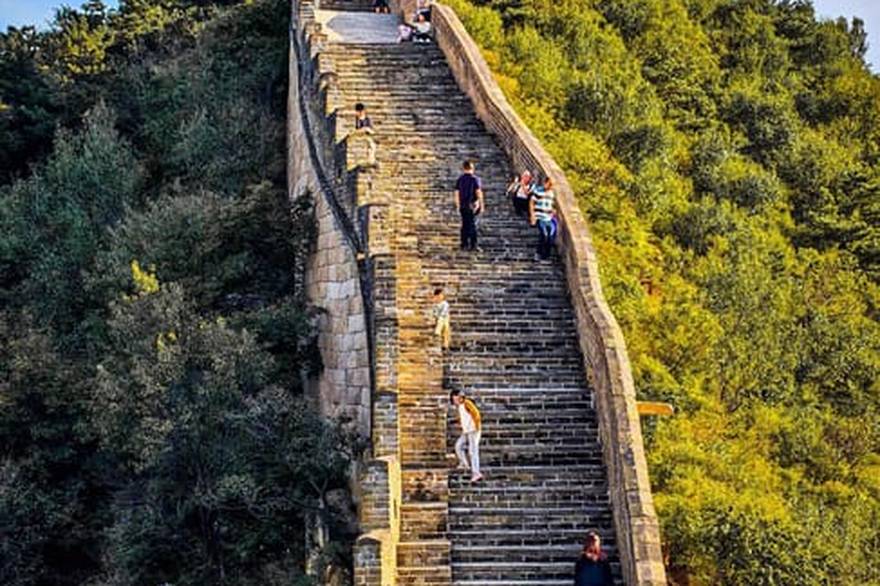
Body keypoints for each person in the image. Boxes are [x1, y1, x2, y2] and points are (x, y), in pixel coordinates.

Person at [450, 389, 482, 482]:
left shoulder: (467, 403)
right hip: (466, 431)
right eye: (454, 399)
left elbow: (476, 414)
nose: (455, 401)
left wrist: (477, 427)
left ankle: (476, 473)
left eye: (457, 399)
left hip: (473, 430)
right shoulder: (460, 407)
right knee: (458, 446)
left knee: (473, 451)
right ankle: (464, 463)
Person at [454, 160, 484, 251]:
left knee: (464, 225)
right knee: (472, 225)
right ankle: (473, 245)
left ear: (464, 168)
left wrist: (458, 206)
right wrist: (481, 204)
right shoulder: (475, 179)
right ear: (472, 168)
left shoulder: (460, 179)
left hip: (463, 205)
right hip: (472, 205)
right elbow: (478, 192)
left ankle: (464, 244)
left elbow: (456, 193)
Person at [529, 176, 556, 260]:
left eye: (552, 185)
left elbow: (552, 205)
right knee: (544, 235)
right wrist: (532, 215)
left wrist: (553, 211)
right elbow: (531, 202)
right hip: (540, 217)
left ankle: (546, 254)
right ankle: (538, 253)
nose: (550, 186)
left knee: (551, 236)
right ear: (545, 183)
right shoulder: (538, 191)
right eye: (549, 184)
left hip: (549, 218)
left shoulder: (552, 193)